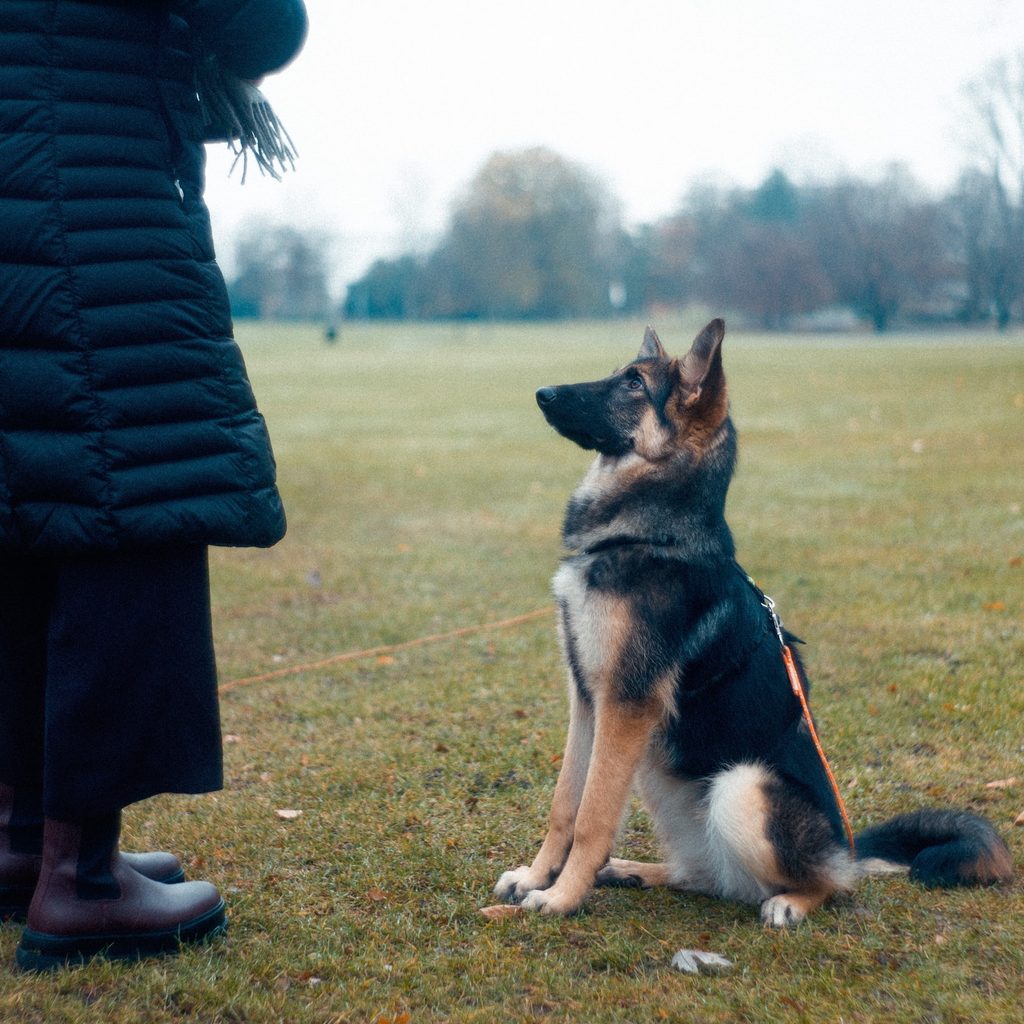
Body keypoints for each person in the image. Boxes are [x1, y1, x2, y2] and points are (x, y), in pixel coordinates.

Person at [0, 0, 307, 970]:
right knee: (131, 505)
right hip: (86, 194)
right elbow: (260, 23)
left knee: (32, 502)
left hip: (22, 174)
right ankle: (82, 878)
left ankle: (20, 838)